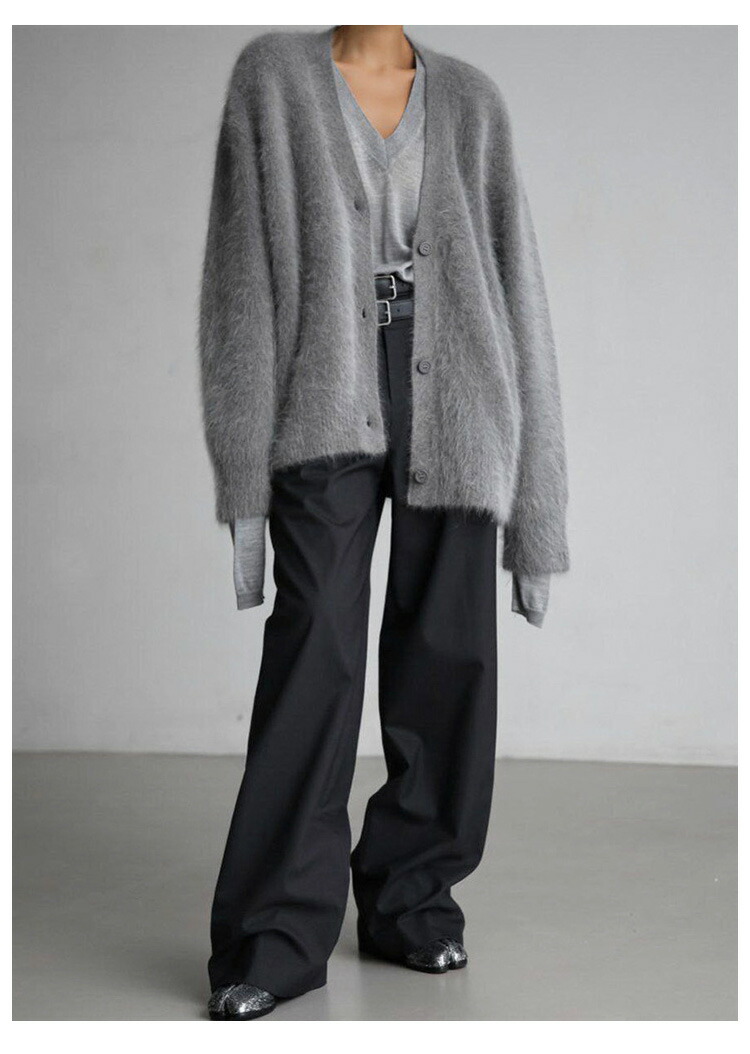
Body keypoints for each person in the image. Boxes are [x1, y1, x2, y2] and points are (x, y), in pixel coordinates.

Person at [199, 25, 569, 1021]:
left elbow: (519, 292)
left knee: (450, 652)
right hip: (323, 382)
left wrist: (538, 513)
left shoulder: (473, 99)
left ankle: (412, 899)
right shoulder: (273, 80)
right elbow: (239, 286)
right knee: (315, 645)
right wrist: (243, 487)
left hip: (463, 393)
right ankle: (274, 932)